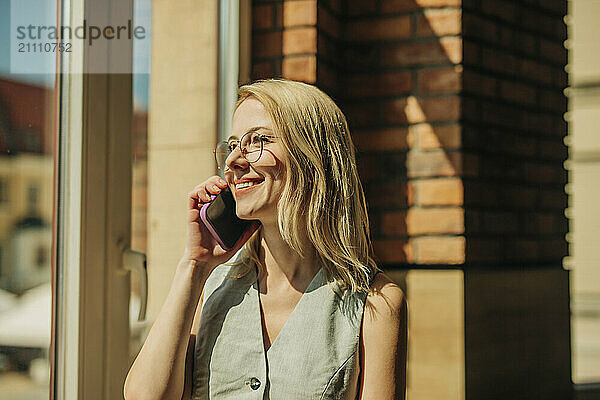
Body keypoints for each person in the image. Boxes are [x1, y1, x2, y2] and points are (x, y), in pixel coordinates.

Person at [124, 79, 407, 400]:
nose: (233, 161)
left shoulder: (375, 304)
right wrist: (194, 264)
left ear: (312, 158)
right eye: (232, 145)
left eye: (258, 140)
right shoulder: (212, 288)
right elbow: (147, 396)